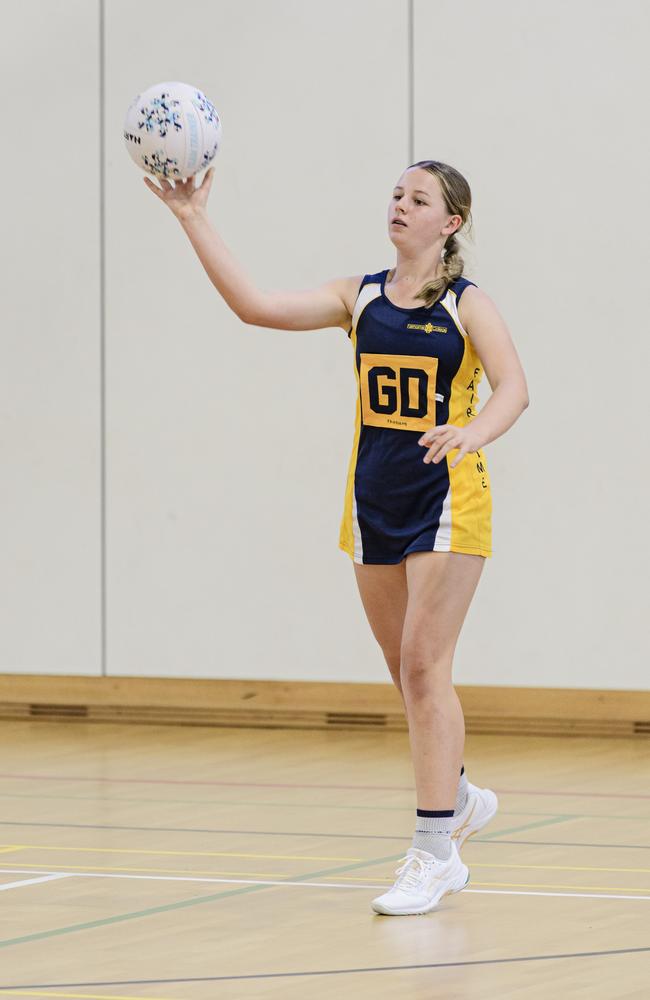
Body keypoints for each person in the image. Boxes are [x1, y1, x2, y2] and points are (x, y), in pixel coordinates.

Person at [143, 159, 530, 916]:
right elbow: (253, 306)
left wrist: (473, 431)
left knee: (425, 666)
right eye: (396, 193)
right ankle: (458, 796)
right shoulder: (357, 298)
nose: (400, 205)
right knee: (406, 673)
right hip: (373, 503)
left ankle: (433, 851)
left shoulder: (466, 305)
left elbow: (515, 386)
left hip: (450, 500)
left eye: (418, 200)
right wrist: (192, 217)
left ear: (449, 223)